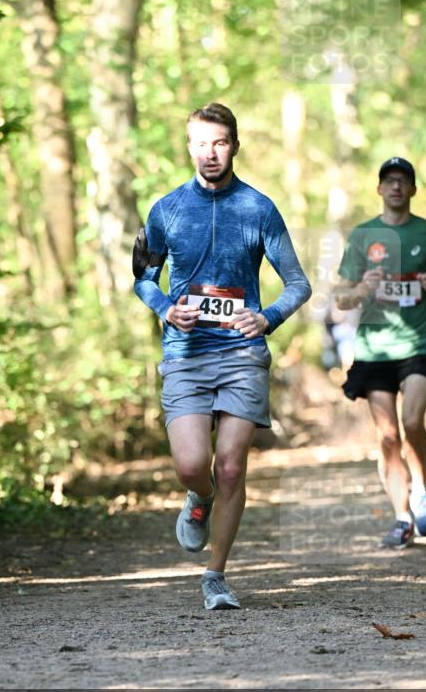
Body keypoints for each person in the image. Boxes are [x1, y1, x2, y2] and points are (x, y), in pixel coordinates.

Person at [133, 103, 312, 609]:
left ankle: (216, 575)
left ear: (234, 145)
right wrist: (167, 310)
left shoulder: (259, 209)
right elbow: (143, 280)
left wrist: (266, 317)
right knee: (194, 465)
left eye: (220, 142)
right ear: (189, 146)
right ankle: (199, 499)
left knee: (231, 466)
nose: (210, 152)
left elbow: (298, 284)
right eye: (201, 143)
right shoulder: (165, 210)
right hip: (186, 354)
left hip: (242, 354)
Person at [335, 157, 426, 548]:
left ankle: (421, 486)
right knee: (388, 436)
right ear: (379, 189)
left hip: (418, 343)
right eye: (389, 181)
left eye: (403, 181)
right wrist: (362, 289)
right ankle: (402, 515)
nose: (396, 187)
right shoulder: (362, 236)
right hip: (374, 347)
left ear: (413, 189)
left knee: (412, 420)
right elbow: (340, 298)